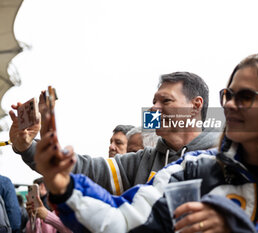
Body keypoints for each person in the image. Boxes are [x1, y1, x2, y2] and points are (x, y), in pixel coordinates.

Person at [34, 53, 258, 232]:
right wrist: (61, 184)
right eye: (228, 95)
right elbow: (122, 221)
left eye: (245, 97)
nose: (232, 105)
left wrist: (235, 226)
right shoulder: (192, 171)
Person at [9, 72, 219, 195]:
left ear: (195, 105)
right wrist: (26, 146)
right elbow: (81, 169)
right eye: (154, 101)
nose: (154, 108)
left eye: (165, 101)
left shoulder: (226, 158)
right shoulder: (139, 162)